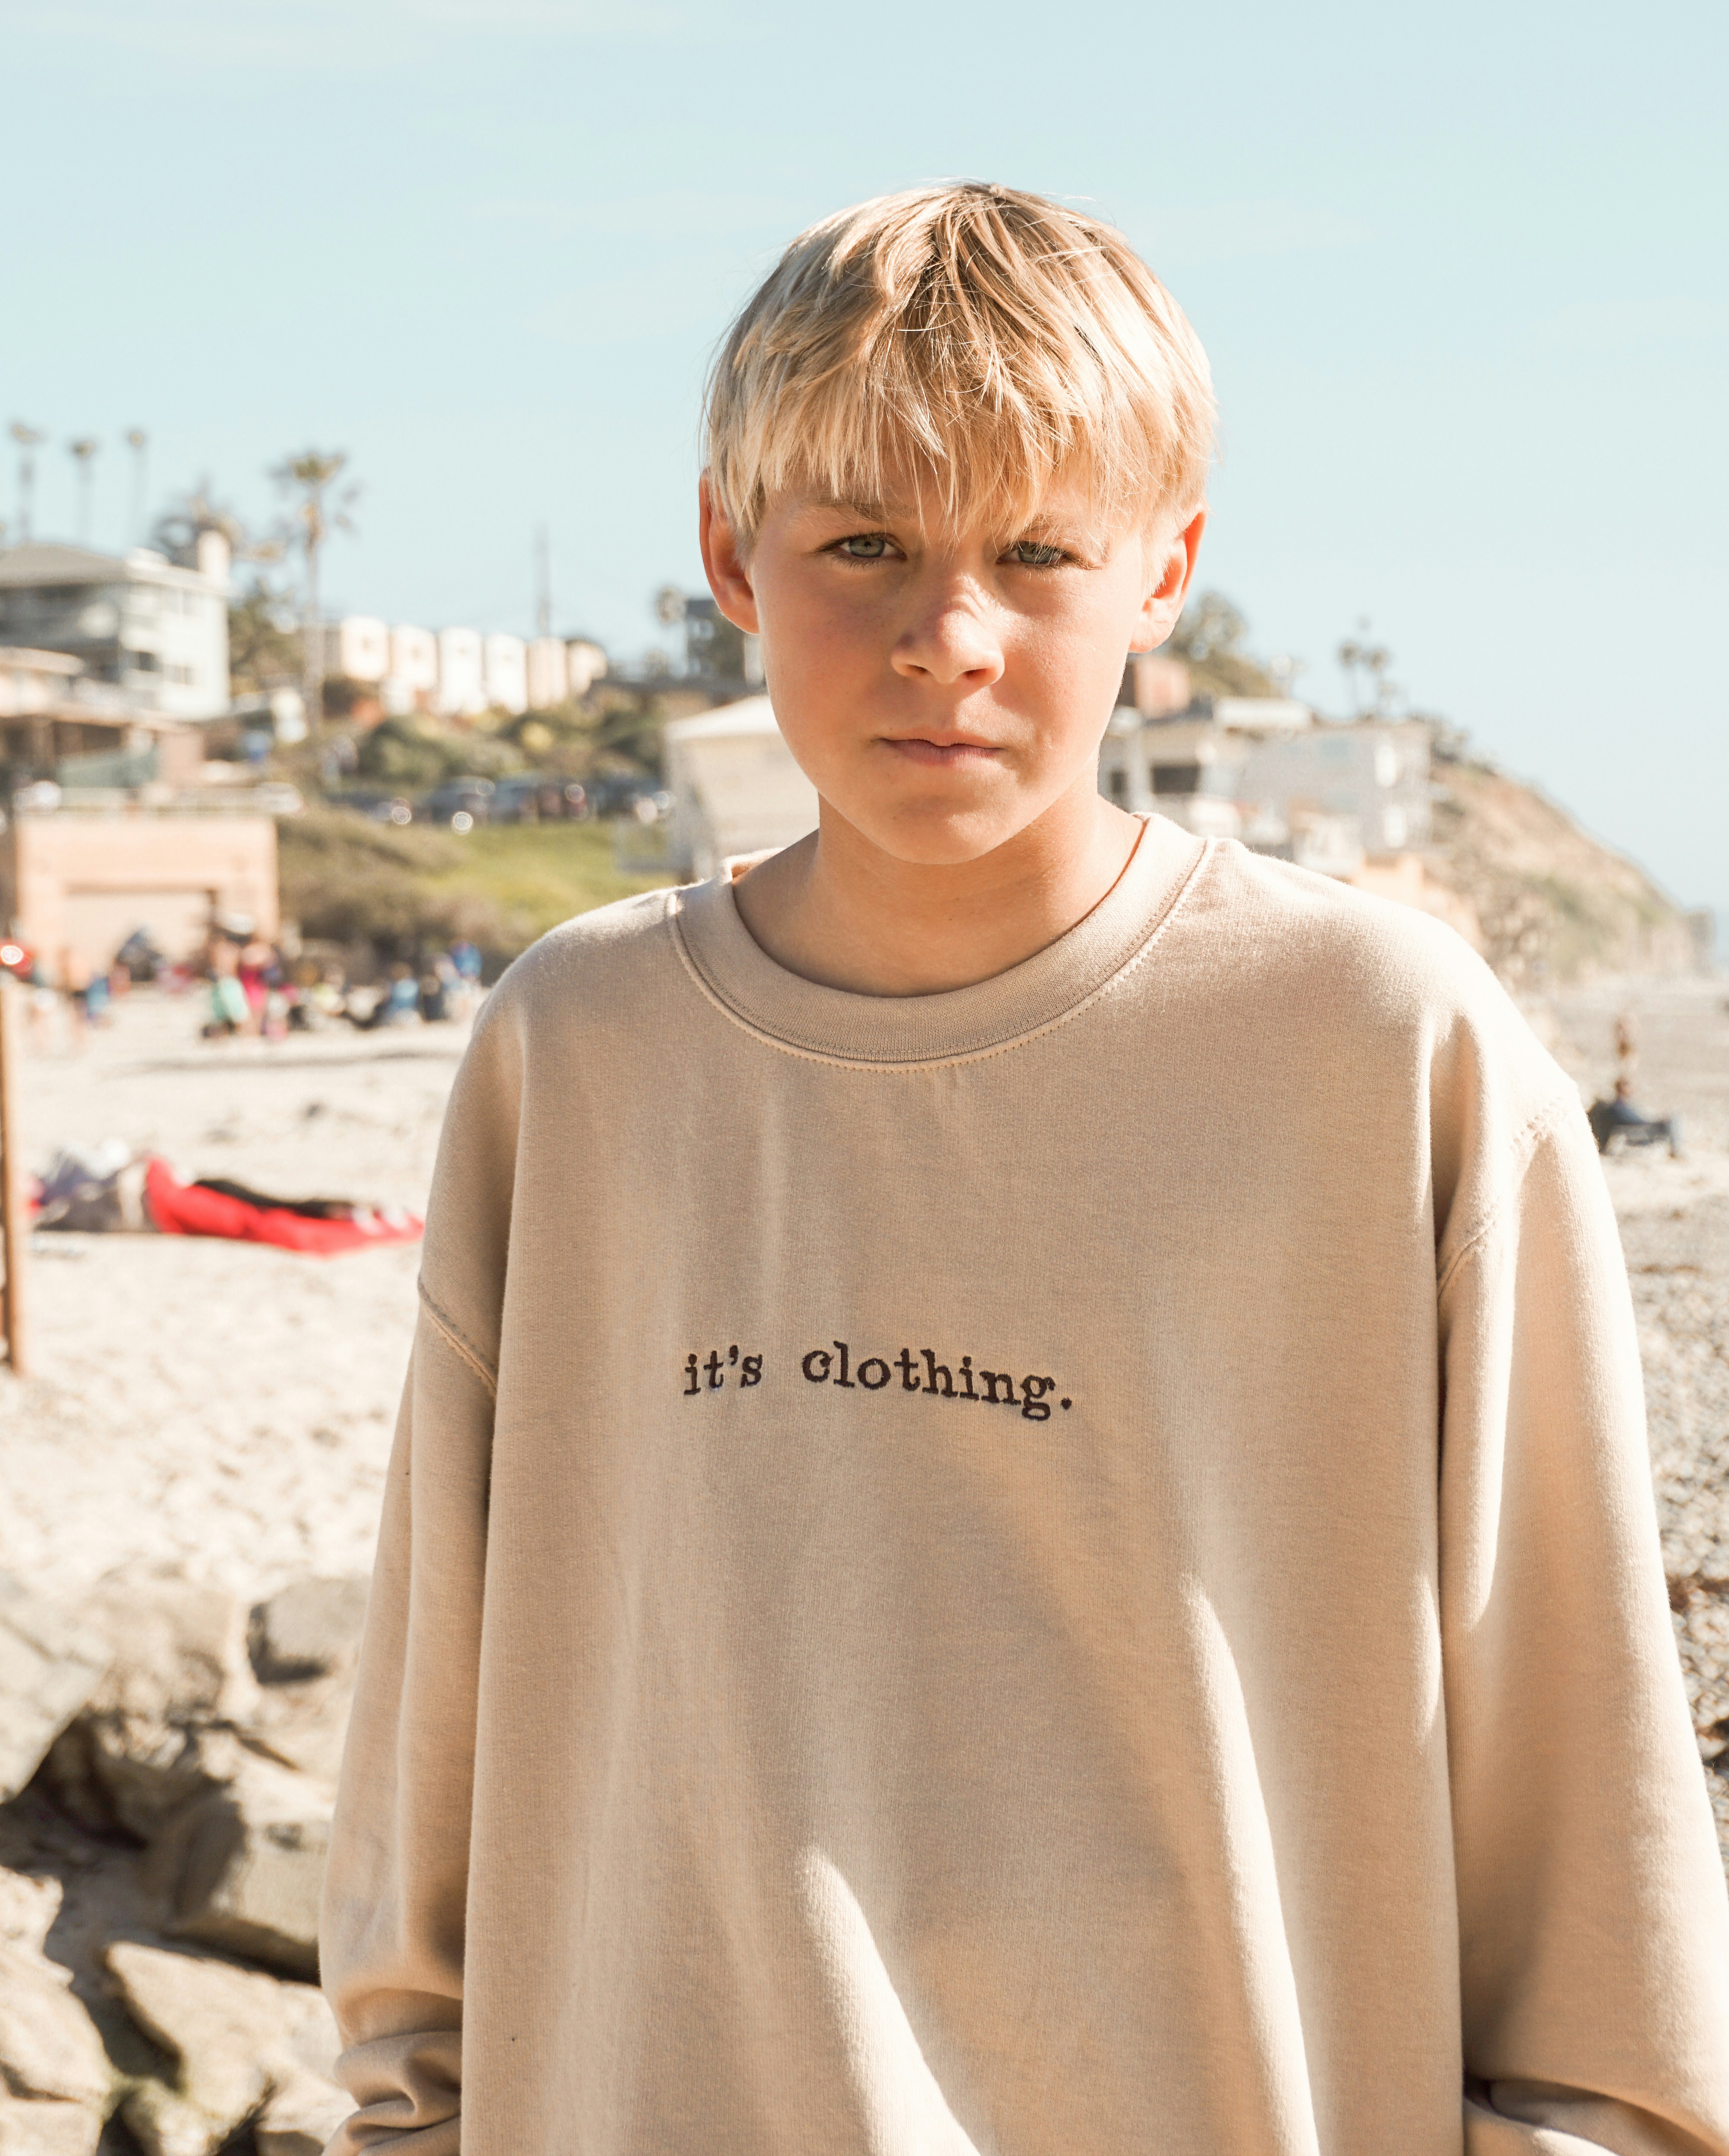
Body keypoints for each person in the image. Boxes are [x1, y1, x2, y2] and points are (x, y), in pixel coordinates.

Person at [321, 185, 1729, 2156]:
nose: (945, 638)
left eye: (1036, 551)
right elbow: (433, 1762)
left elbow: (1592, 1849)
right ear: (729, 552)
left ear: (1163, 566)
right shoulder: (580, 1056)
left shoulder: (1378, 1045)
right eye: (862, 546)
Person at [1589, 1072, 1682, 1157]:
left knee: (1671, 1120)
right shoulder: (1618, 1107)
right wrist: (1656, 1121)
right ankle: (1676, 1151)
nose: (1633, 1088)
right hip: (1637, 1132)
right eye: (1629, 1085)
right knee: (1671, 1121)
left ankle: (1675, 1150)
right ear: (1623, 1088)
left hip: (1636, 1130)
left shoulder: (1620, 1106)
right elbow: (1634, 1121)